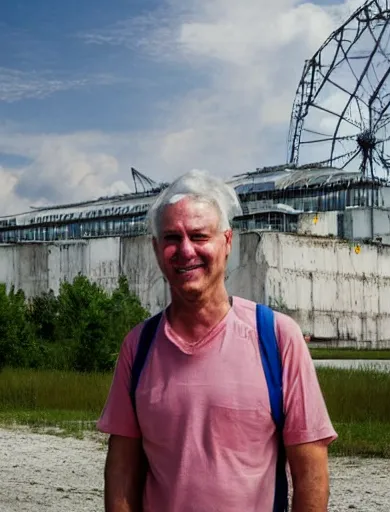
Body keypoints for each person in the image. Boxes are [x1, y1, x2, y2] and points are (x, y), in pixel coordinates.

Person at [97, 170, 338, 512]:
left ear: (227, 242)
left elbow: (311, 469)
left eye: (199, 236)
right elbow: (122, 469)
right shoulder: (138, 347)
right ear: (155, 249)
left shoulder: (277, 338)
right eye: (171, 238)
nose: (184, 250)